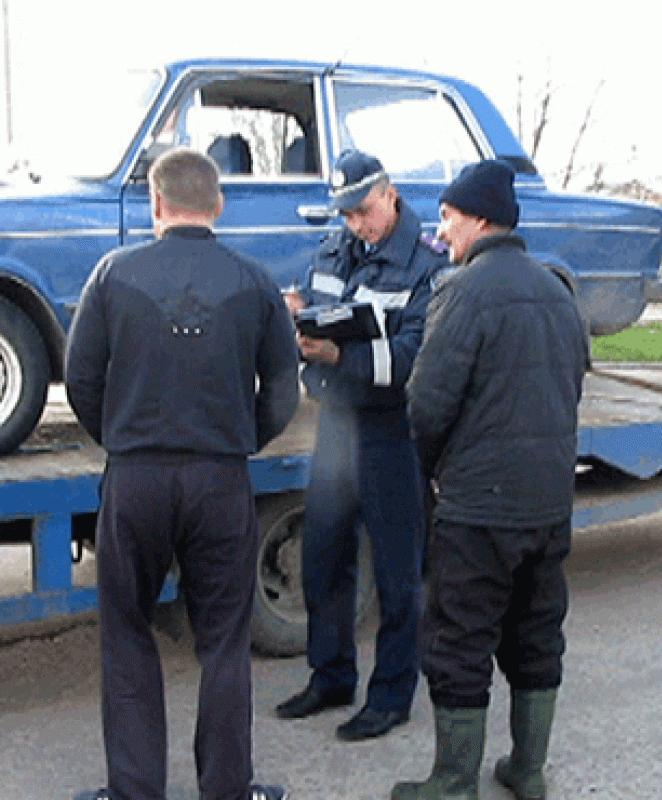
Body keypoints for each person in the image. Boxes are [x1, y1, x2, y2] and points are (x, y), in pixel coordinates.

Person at [65, 147, 300, 800]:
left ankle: (134, 792)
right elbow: (283, 388)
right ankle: (227, 790)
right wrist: (241, 438)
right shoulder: (254, 281)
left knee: (128, 636)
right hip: (219, 478)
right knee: (224, 642)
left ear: (157, 204)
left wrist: (120, 438)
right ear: (218, 204)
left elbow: (81, 378)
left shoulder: (113, 273)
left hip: (136, 478)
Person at [393, 160, 589, 800]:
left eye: (447, 218)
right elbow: (573, 386)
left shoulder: (462, 291)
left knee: (459, 641)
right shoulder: (558, 292)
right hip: (549, 504)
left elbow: (426, 405)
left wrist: (435, 472)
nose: (442, 231)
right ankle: (526, 771)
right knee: (536, 635)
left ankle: (453, 784)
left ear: (477, 218)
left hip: (478, 510)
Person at [276, 150, 449, 742]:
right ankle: (331, 676)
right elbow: (314, 306)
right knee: (323, 556)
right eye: (347, 216)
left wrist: (340, 356)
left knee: (398, 574)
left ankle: (392, 695)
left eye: (364, 211)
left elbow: (415, 358)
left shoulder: (427, 266)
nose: (357, 224)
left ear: (391, 194)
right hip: (337, 423)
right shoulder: (333, 251)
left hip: (392, 430)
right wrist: (296, 318)